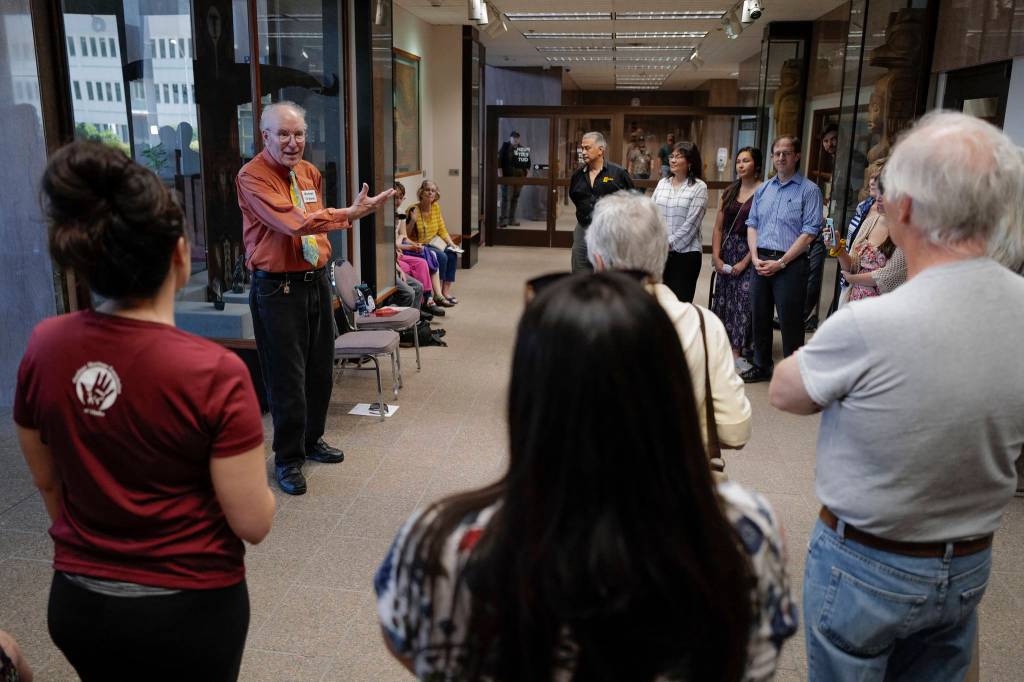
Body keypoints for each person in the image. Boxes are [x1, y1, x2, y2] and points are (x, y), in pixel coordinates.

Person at [375, 272, 797, 681]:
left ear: (527, 396)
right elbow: (755, 655)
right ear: (672, 390)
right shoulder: (744, 534)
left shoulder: (442, 542)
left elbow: (408, 643)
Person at [767, 111, 1024, 682]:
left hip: (867, 562)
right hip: (969, 562)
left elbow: (785, 392)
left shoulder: (870, 324)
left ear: (904, 208)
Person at [16, 141, 275, 680]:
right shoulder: (214, 371)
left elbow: (47, 481)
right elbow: (252, 522)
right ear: (180, 255)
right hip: (189, 610)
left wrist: (98, 549)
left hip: (79, 604)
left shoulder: (44, 344)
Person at [237, 101, 394, 495]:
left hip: (315, 281)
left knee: (320, 370)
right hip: (277, 290)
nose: (292, 142)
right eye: (283, 134)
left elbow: (315, 223)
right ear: (265, 136)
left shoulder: (308, 172)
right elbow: (295, 223)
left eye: (299, 134)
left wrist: (341, 216)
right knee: (287, 378)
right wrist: (349, 214)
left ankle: (311, 440)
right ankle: (288, 459)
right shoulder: (252, 177)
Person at [587, 192, 752, 449]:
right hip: (682, 469)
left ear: (598, 262)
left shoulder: (573, 324)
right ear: (663, 252)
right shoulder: (704, 325)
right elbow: (735, 432)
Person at [741, 135, 823, 383]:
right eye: (777, 153)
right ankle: (762, 365)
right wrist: (755, 257)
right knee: (759, 317)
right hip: (761, 260)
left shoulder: (810, 190)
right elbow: (752, 224)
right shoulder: (764, 189)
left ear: (797, 156)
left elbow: (809, 233)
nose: (781, 157)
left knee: (790, 321)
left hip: (790, 264)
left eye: (786, 153)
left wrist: (782, 262)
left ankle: (793, 373)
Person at [711, 147, 763, 370]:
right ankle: (721, 345)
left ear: (756, 164)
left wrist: (745, 261)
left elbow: (762, 231)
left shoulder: (763, 191)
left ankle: (737, 350)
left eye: (746, 161)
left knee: (743, 301)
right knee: (724, 299)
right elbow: (718, 227)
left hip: (750, 250)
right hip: (727, 249)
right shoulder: (730, 190)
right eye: (739, 161)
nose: (740, 165)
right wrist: (716, 256)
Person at [567, 131, 634, 273]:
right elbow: (575, 197)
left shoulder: (618, 173)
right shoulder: (577, 176)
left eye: (587, 148)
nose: (583, 152)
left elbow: (632, 200)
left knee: (608, 273)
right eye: (582, 148)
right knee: (580, 269)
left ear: (601, 150)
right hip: (583, 229)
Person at [652, 141, 708, 303]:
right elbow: (651, 213)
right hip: (659, 254)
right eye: (672, 156)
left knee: (679, 304)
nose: (673, 160)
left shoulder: (699, 187)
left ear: (690, 162)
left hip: (685, 256)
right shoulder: (662, 183)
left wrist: (667, 243)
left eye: (678, 156)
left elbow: (691, 225)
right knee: (657, 304)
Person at [833, 168, 894, 304]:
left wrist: (853, 279)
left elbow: (889, 275)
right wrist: (838, 249)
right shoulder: (869, 222)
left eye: (885, 192)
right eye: (879, 191)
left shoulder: (905, 232)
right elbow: (853, 266)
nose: (878, 197)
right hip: (855, 303)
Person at [804, 124, 839, 331]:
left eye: (833, 139)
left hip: (838, 223)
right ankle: (808, 315)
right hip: (828, 221)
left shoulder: (851, 160)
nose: (829, 144)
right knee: (814, 269)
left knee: (819, 270)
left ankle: (811, 316)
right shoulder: (833, 161)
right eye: (825, 141)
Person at [393, 182, 446, 317]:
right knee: (431, 255)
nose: (398, 201)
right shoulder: (409, 210)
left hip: (403, 248)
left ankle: (430, 298)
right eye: (395, 197)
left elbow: (404, 236)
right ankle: (427, 301)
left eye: (400, 198)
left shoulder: (400, 212)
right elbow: (398, 240)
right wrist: (409, 242)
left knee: (428, 258)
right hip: (396, 251)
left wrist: (415, 245)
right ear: (421, 192)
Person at [406, 180, 460, 304]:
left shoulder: (435, 207)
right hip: (419, 244)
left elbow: (442, 228)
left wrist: (451, 243)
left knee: (452, 254)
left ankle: (445, 292)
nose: (430, 193)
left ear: (436, 194)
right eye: (427, 190)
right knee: (442, 257)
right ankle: (437, 294)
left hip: (434, 242)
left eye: (433, 190)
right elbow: (405, 235)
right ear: (421, 192)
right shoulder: (413, 209)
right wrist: (413, 220)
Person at [497, 131, 528, 226]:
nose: (515, 139)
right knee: (505, 198)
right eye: (514, 137)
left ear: (519, 139)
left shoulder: (522, 149)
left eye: (517, 138)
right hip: (507, 178)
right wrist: (501, 177)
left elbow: (527, 165)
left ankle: (511, 219)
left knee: (515, 198)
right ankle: (503, 220)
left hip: (519, 178)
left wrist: (525, 178)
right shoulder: (505, 148)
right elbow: (499, 163)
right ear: (510, 138)